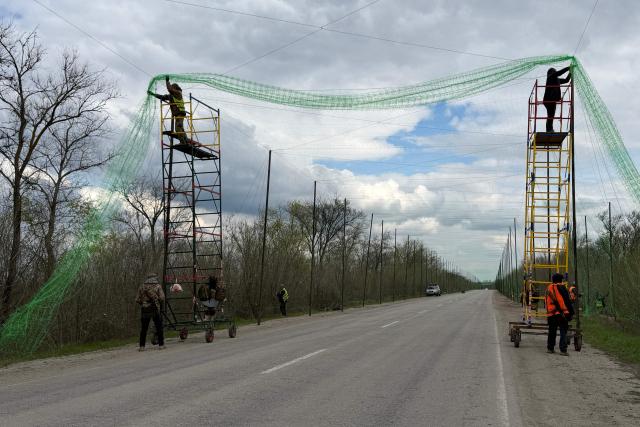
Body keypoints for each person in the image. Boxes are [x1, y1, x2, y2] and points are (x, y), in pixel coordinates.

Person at [148, 76, 191, 144]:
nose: (171, 89)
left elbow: (170, 89)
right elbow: (162, 97)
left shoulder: (178, 93)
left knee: (178, 128)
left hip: (180, 113)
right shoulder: (171, 96)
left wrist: (167, 81)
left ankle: (183, 142)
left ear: (175, 88)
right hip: (177, 114)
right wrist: (153, 94)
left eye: (172, 88)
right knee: (180, 128)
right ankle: (186, 141)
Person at [545, 273, 574, 356]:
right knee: (563, 332)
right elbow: (566, 302)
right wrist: (570, 313)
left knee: (552, 331)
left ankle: (550, 348)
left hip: (551, 314)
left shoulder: (548, 288)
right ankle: (563, 350)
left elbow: (546, 302)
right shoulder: (562, 287)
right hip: (561, 314)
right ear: (560, 280)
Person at [135, 273, 165, 351]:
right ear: (155, 278)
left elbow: (137, 299)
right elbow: (162, 298)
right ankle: (161, 345)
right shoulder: (158, 286)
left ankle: (142, 346)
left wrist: (144, 303)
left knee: (144, 329)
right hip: (155, 309)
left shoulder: (142, 287)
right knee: (159, 327)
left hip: (145, 309)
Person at [543, 67, 571, 132]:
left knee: (551, 115)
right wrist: (568, 68)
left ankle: (549, 129)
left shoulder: (557, 80)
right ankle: (549, 129)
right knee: (550, 115)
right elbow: (559, 73)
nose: (555, 72)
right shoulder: (550, 78)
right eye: (554, 71)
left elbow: (566, 80)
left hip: (553, 100)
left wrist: (570, 72)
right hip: (548, 100)